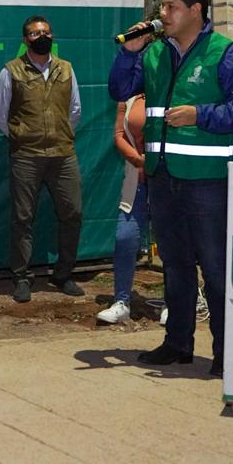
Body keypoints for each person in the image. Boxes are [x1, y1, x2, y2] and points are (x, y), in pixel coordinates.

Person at [108, 0, 233, 378]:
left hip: (207, 180)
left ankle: (229, 352)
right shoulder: (153, 52)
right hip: (161, 176)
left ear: (196, 11)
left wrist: (200, 115)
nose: (162, 14)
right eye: (162, 7)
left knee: (214, 267)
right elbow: (119, 89)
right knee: (174, 266)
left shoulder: (225, 53)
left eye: (171, 7)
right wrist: (128, 54)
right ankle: (177, 344)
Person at [0, 15, 83, 303]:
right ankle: (21, 277)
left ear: (52, 36)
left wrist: (58, 134)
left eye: (45, 31)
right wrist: (23, 137)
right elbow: (0, 117)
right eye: (34, 33)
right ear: (25, 39)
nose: (41, 36)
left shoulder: (66, 69)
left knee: (73, 214)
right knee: (23, 218)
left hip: (63, 154)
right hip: (26, 156)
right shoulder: (11, 71)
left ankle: (63, 274)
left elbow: (75, 110)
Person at [96, 94, 149, 325]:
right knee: (124, 237)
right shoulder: (128, 98)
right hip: (134, 181)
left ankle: (173, 305)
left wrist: (155, 160)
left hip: (169, 182)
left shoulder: (175, 87)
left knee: (171, 245)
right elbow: (119, 135)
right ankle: (121, 302)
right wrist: (138, 160)